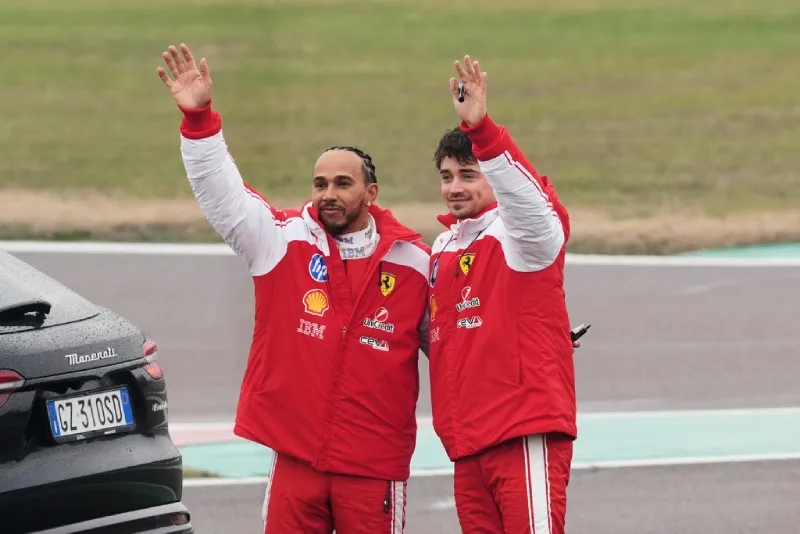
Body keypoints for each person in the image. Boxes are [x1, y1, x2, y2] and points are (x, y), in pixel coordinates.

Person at [156, 43, 431, 534]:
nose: (328, 194)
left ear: (371, 193)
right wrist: (199, 122)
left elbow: (459, 343)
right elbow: (224, 198)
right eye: (319, 183)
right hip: (297, 462)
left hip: (373, 469)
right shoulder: (281, 241)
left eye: (342, 183)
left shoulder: (413, 263)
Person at [426, 55, 577, 534]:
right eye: (447, 176)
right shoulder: (444, 245)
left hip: (522, 429)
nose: (454, 188)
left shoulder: (523, 238)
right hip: (467, 442)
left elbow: (531, 206)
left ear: (493, 177)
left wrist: (484, 134)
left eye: (468, 175)